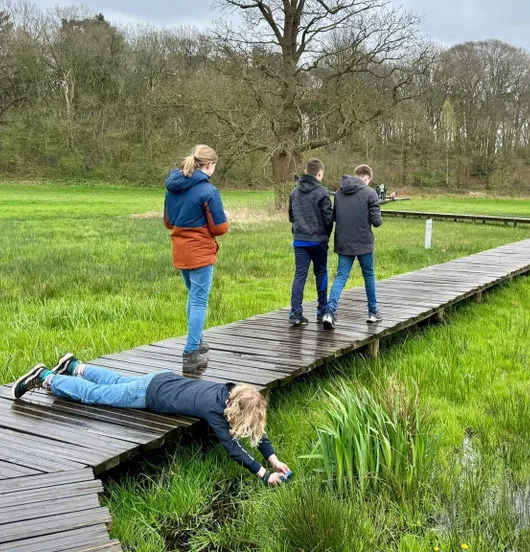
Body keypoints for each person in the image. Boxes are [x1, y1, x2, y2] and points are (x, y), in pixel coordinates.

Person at [13, 354, 292, 486]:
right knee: (97, 395)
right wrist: (264, 475)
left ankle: (75, 366)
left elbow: (256, 430)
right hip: (150, 394)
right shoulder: (213, 410)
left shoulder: (229, 392)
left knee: (118, 381)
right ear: (237, 413)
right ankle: (47, 377)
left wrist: (273, 459)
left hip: (162, 377)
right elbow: (233, 449)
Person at [164, 145, 229, 373]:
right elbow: (220, 228)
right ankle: (191, 353)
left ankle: (198, 341)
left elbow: (168, 222)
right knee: (200, 300)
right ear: (209, 165)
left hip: (180, 250)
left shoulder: (172, 188)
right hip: (200, 252)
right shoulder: (208, 191)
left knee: (193, 297)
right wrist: (225, 217)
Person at [321, 165, 383, 329]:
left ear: (356, 175)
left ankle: (329, 312)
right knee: (368, 275)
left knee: (341, 277)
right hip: (364, 243)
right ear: (367, 178)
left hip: (344, 242)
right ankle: (373, 312)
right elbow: (377, 222)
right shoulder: (370, 193)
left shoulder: (340, 192)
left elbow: (334, 217)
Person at [288, 159, 334, 325]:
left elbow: (291, 216)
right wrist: (325, 234)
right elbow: (328, 218)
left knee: (300, 274)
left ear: (306, 171)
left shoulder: (294, 192)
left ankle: (295, 312)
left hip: (300, 239)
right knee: (321, 272)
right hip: (318, 240)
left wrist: (298, 229)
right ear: (319, 173)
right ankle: (322, 309)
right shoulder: (322, 192)